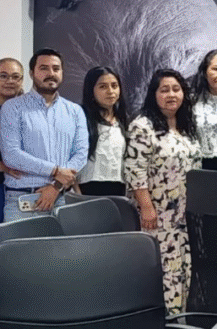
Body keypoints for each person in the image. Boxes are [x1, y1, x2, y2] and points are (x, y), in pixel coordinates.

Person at [123, 69, 201, 314]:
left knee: (185, 271)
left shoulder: (186, 126)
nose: (171, 95)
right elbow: (135, 171)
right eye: (164, 90)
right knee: (165, 272)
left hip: (185, 216)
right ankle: (165, 328)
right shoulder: (142, 126)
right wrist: (147, 207)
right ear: (153, 94)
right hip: (157, 216)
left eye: (176, 89)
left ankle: (183, 324)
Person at [0, 48, 87, 222]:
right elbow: (11, 155)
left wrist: (55, 186)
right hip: (22, 202)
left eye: (56, 68)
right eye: (44, 68)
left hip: (63, 200)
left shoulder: (75, 111)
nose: (51, 73)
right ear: (32, 73)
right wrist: (55, 171)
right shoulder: (12, 108)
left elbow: (81, 154)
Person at [77, 67, 129, 197]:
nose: (110, 91)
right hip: (87, 191)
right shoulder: (80, 119)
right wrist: (78, 194)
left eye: (114, 86)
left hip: (119, 191)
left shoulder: (125, 121)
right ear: (91, 90)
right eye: (103, 87)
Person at [0, 58, 25, 208]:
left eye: (15, 77)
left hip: (23, 187)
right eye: (3, 76)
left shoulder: (30, 111)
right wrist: (5, 167)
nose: (10, 81)